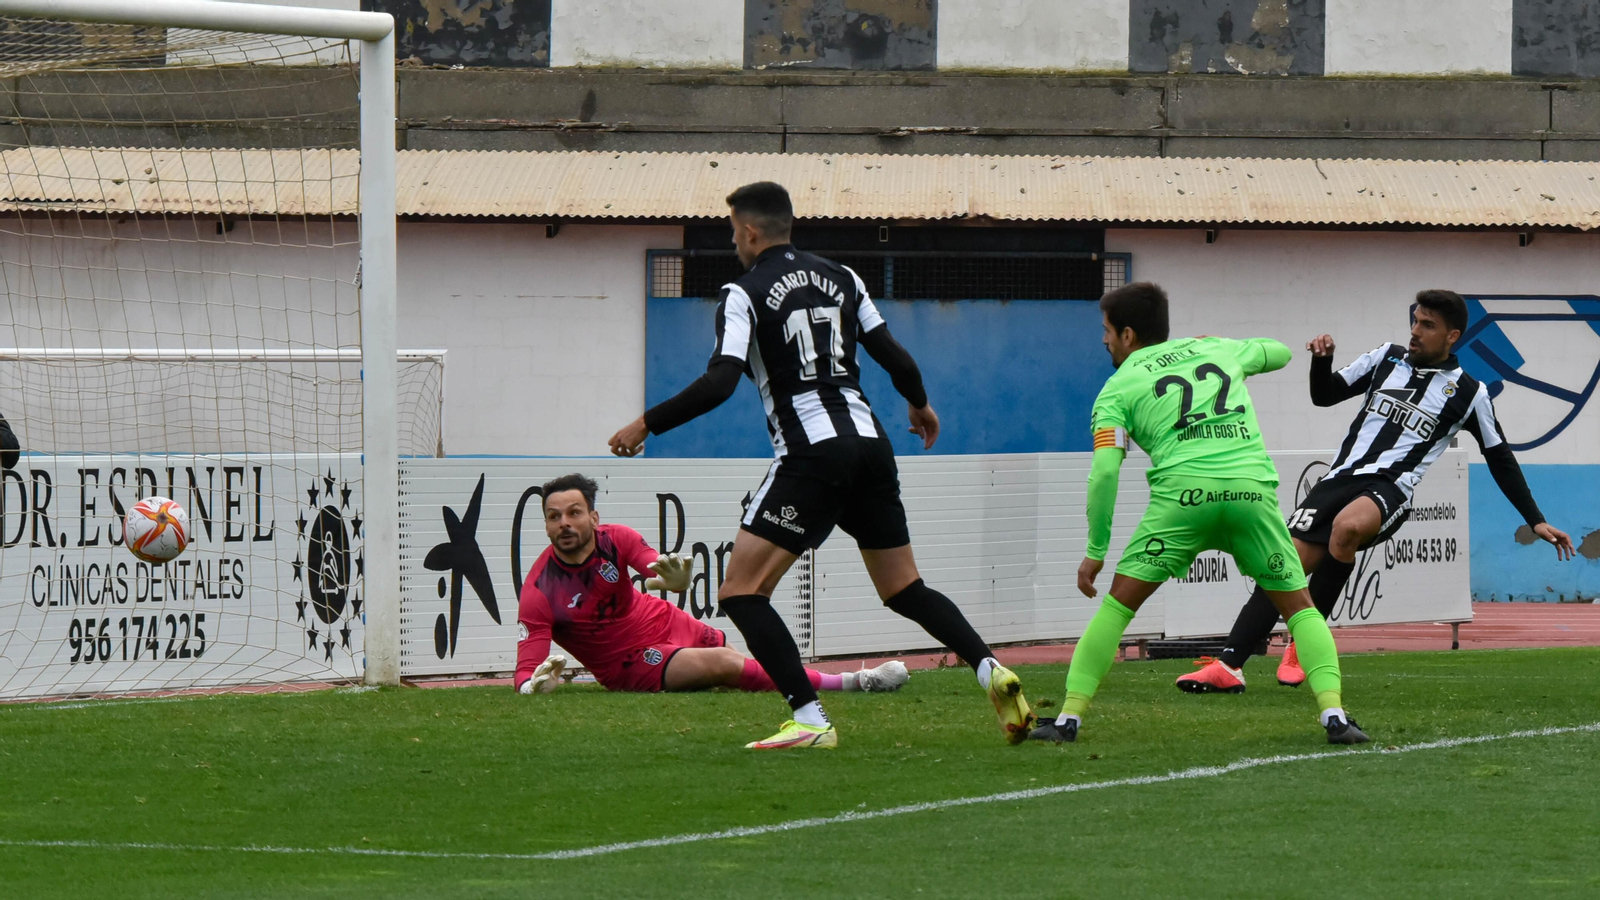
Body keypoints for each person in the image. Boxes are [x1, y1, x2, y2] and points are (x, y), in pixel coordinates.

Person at [608, 181, 1034, 750]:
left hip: (814, 453)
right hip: (870, 442)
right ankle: (989, 670)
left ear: (751, 231)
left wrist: (646, 423)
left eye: (733, 229)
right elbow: (894, 356)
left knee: (740, 593)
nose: (733, 240)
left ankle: (809, 719)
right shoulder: (844, 277)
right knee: (905, 588)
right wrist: (920, 403)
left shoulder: (743, 291)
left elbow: (720, 381)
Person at [1178, 290, 1575, 694]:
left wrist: (1536, 519)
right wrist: (1322, 361)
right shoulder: (1387, 357)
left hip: (1389, 489)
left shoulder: (1471, 394)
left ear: (1453, 335)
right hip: (1338, 481)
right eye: (1416, 321)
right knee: (1283, 566)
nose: (1416, 331)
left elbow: (1500, 457)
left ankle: (1302, 645)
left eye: (1428, 325)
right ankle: (1229, 666)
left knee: (1348, 528)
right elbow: (1324, 395)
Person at [1029, 282, 1368, 746]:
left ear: (1128, 335)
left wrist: (1095, 550)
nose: (1103, 340)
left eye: (1106, 331)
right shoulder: (1217, 350)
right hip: (1250, 494)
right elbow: (1281, 352)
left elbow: (1105, 473)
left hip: (1182, 502)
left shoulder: (1115, 390)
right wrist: (1223, 347)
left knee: (1117, 606)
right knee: (1299, 609)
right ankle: (1334, 715)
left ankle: (1068, 719)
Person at [515, 473, 909, 697]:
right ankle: (856, 682)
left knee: (742, 666)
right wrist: (533, 685)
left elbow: (653, 565)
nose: (564, 523)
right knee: (726, 665)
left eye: (573, 513)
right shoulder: (539, 590)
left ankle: (805, 688)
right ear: (546, 524)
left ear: (594, 517)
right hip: (629, 663)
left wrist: (673, 577)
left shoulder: (616, 538)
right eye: (553, 517)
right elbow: (524, 674)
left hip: (664, 619)